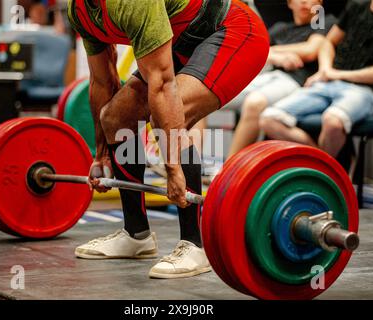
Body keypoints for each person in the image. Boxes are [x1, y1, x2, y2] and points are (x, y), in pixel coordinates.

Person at [67, 0, 269, 278]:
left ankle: (194, 245)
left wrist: (173, 169)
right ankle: (136, 235)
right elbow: (103, 82)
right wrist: (100, 155)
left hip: (233, 32)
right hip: (182, 42)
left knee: (169, 115)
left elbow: (162, 86)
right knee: (115, 117)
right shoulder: (79, 10)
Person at [260, 0, 373, 158]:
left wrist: (338, 74)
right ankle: (322, 165)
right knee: (269, 119)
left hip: (366, 90)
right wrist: (325, 70)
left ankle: (324, 171)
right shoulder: (357, 7)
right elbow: (326, 42)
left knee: (333, 122)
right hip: (329, 83)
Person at [226, 0, 336, 158]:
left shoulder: (323, 22)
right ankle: (191, 164)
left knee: (254, 102)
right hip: (270, 76)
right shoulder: (281, 28)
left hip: (298, 81)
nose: (304, 2)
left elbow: (310, 50)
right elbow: (253, 50)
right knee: (206, 99)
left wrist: (271, 52)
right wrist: (278, 58)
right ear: (290, 3)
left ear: (320, 3)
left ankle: (229, 169)